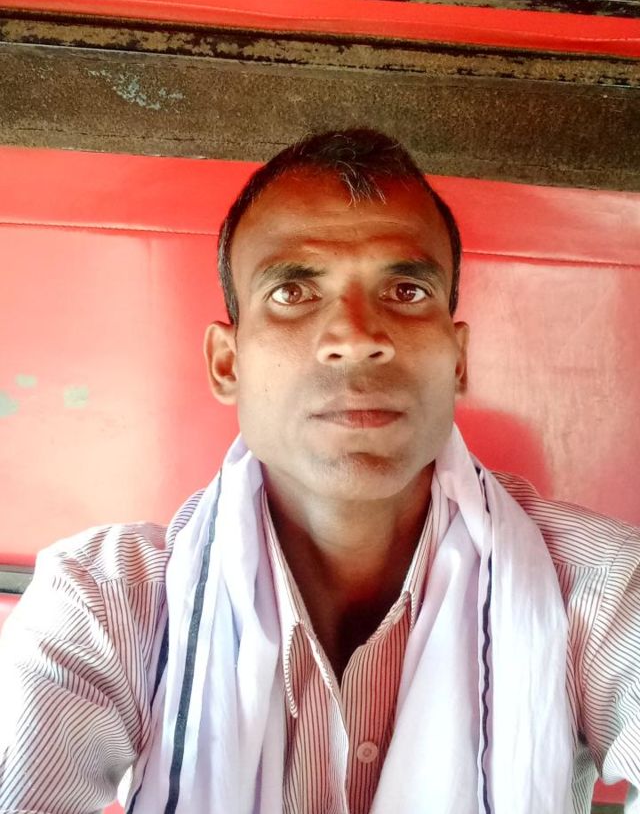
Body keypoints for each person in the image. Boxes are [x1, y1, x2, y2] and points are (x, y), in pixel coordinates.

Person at [0, 129, 638, 814]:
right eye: (293, 291)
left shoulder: (598, 588)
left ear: (457, 361)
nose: (356, 337)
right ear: (228, 363)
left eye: (406, 289)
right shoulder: (103, 604)